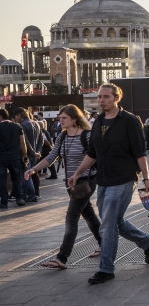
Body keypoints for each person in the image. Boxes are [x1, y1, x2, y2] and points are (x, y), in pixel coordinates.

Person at [69, 83, 149, 284]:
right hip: (104, 179)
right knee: (114, 221)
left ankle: (106, 269)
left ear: (116, 98)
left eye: (106, 97)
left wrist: (146, 178)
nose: (101, 100)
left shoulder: (129, 121)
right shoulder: (98, 121)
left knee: (107, 225)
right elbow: (92, 153)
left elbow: (140, 153)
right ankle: (146, 240)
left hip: (124, 178)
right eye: (99, 97)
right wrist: (77, 173)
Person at [26, 105, 102, 268]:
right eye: (60, 118)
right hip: (70, 183)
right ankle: (104, 243)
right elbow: (52, 157)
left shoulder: (87, 136)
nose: (60, 120)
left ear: (74, 119)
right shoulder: (63, 136)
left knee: (71, 217)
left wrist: (79, 173)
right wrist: (33, 169)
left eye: (64, 118)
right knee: (88, 214)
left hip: (86, 181)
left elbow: (95, 156)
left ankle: (62, 257)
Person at [0, 109, 28, 208]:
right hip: (15, 157)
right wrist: (24, 155)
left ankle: (4, 202)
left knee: (2, 179)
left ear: (1, 117)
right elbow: (22, 142)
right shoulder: (17, 126)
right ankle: (19, 198)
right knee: (16, 178)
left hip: (2, 157)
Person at [12, 108, 40, 203]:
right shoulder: (36, 123)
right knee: (29, 174)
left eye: (16, 116)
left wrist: (32, 152)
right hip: (35, 154)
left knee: (26, 175)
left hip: (26, 155)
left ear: (19, 115)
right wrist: (37, 151)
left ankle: (31, 195)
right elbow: (41, 139)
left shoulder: (22, 126)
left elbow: (25, 142)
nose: (15, 119)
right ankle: (26, 194)